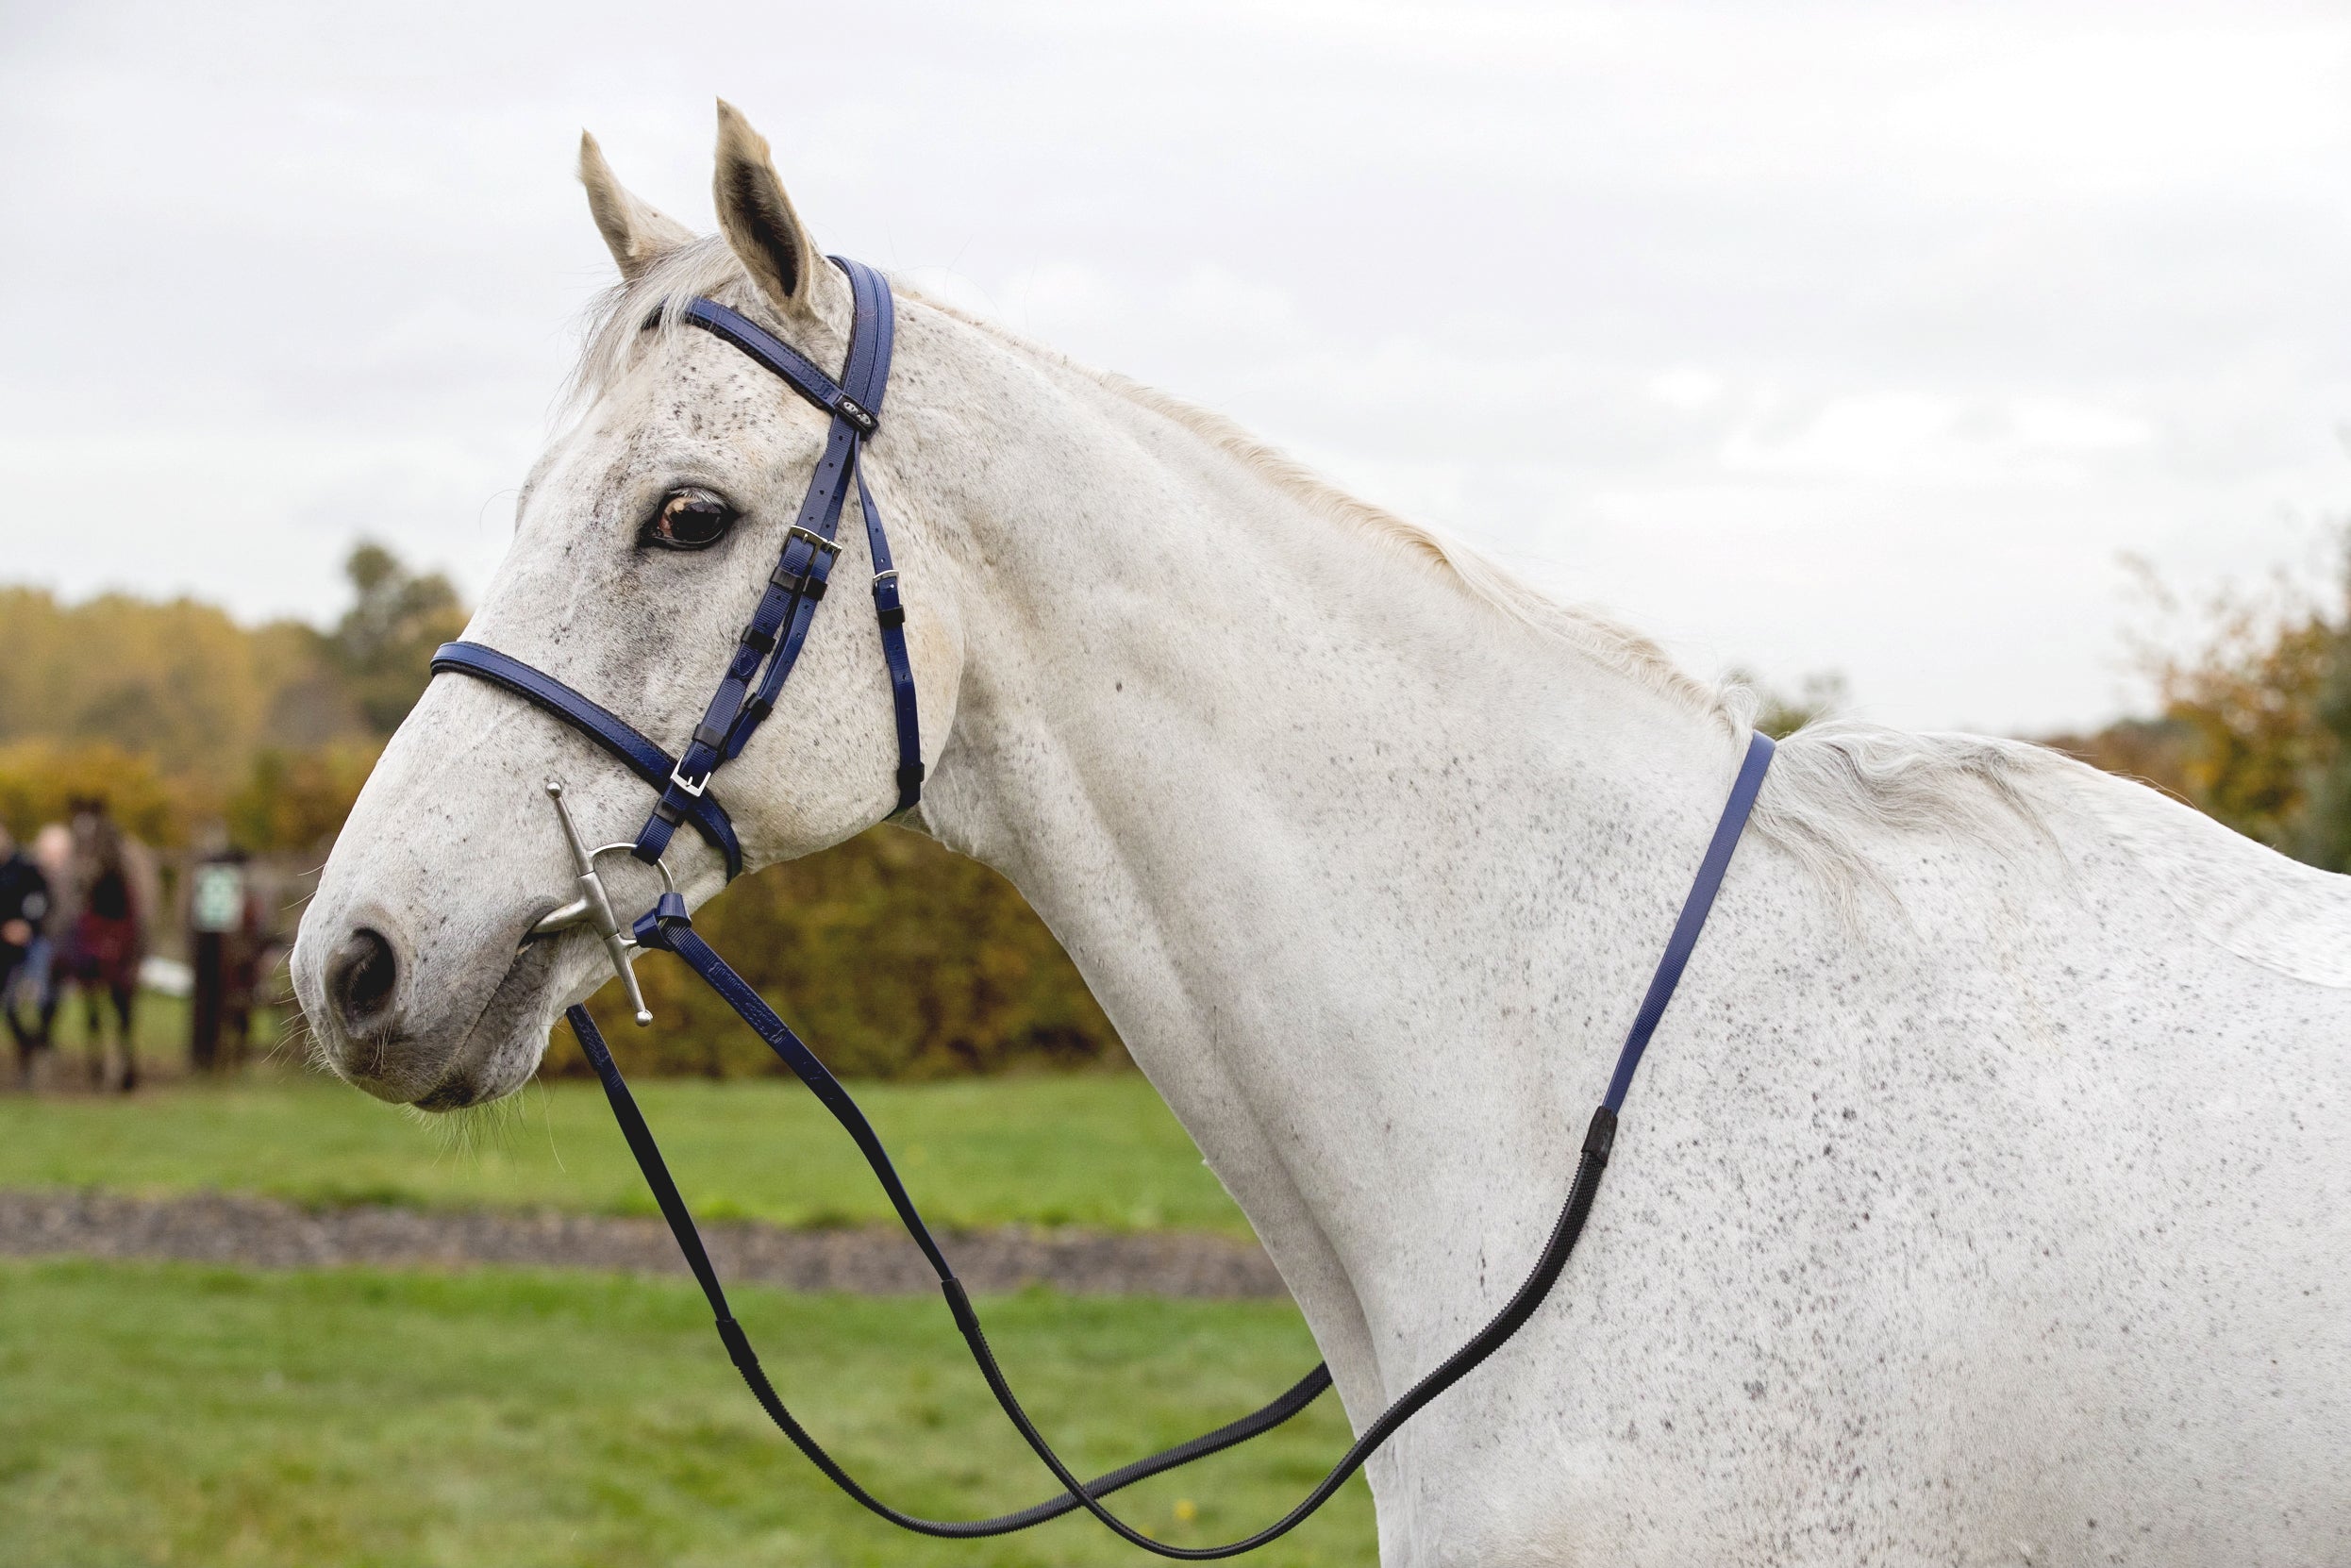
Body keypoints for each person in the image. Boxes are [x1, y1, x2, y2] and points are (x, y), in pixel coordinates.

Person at [55, 798, 150, 1093]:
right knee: (91, 1000)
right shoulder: (82, 874)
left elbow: (136, 910)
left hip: (118, 936)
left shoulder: (123, 866)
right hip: (95, 933)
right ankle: (95, 1061)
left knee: (122, 1002)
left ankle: (124, 1060)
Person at [0, 826, 51, 1086]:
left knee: (19, 1005)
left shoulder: (25, 868)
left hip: (25, 950)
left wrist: (27, 925)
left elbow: (41, 900)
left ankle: (32, 1050)